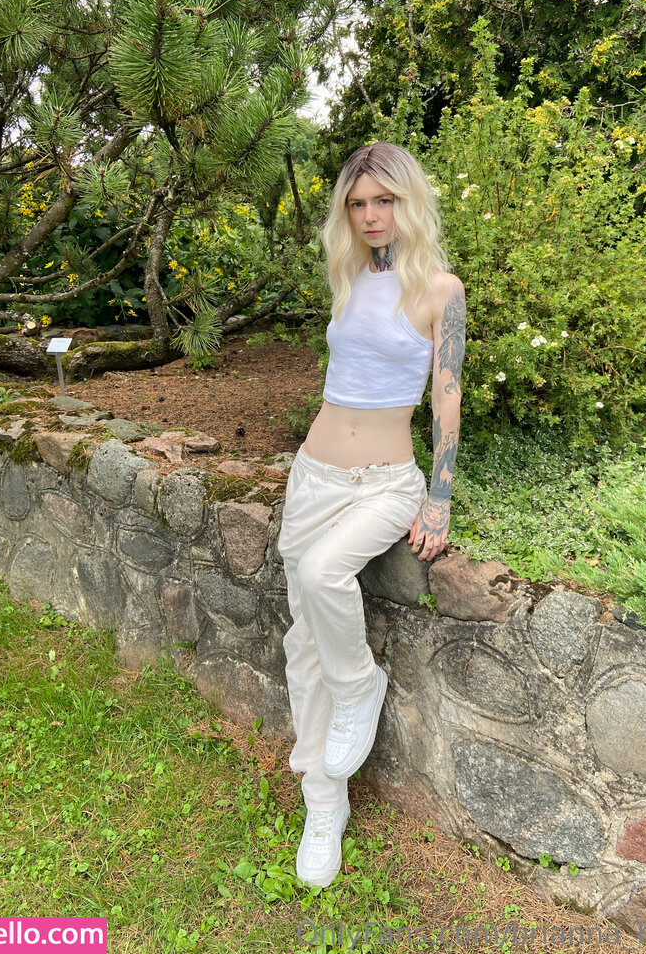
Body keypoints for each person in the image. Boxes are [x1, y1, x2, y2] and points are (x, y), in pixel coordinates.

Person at [276, 141, 466, 887]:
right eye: (357, 204)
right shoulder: (349, 276)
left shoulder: (441, 291)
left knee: (325, 574)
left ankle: (360, 683)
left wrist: (438, 497)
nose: (370, 216)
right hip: (313, 477)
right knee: (303, 645)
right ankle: (323, 805)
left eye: (383, 200)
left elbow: (446, 399)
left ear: (407, 201)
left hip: (385, 483)